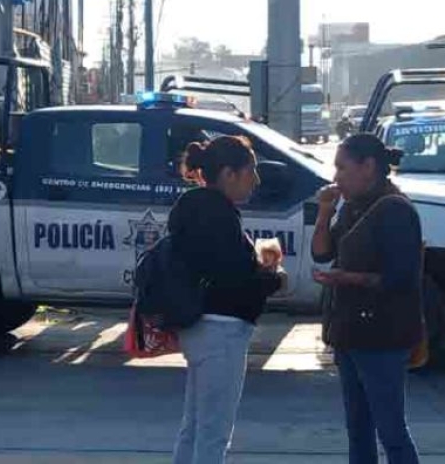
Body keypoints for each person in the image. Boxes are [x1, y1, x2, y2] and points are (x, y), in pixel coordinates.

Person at [170, 135, 285, 464]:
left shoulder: (192, 207)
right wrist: (273, 277)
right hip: (221, 330)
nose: (256, 180)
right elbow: (234, 280)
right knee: (213, 434)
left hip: (200, 326)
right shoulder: (217, 214)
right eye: (251, 171)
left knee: (194, 428)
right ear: (228, 174)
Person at [311, 133, 423, 464]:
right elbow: (322, 253)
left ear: (368, 167)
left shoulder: (395, 210)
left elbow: (401, 277)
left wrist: (347, 278)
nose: (336, 178)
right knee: (358, 429)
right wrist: (324, 212)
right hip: (350, 333)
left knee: (391, 431)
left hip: (383, 335)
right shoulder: (353, 207)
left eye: (342, 168)